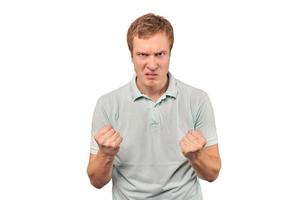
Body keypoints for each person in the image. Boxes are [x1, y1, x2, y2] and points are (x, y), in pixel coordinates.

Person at [87, 13, 221, 200]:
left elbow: (212, 174)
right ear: (131, 56)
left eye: (159, 54)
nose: (152, 64)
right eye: (143, 55)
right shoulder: (107, 104)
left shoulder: (197, 99)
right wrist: (105, 155)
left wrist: (196, 157)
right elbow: (96, 181)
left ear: (170, 54)